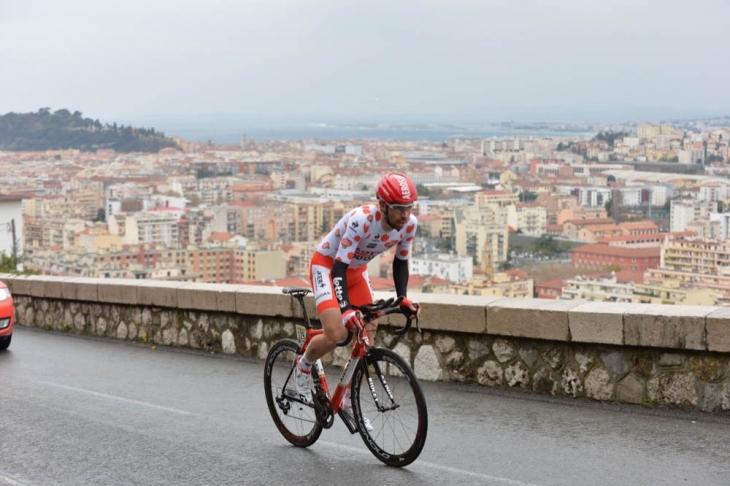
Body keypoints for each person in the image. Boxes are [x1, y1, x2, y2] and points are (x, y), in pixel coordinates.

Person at [295, 172, 422, 430]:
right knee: (337, 334)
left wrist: (402, 299)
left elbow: (400, 262)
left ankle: (348, 400)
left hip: (356, 271)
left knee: (368, 335)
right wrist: (345, 310)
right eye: (399, 209)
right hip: (329, 268)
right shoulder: (361, 221)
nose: (406, 215)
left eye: (409, 208)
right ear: (383, 206)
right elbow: (339, 267)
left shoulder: (409, 225)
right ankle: (304, 365)